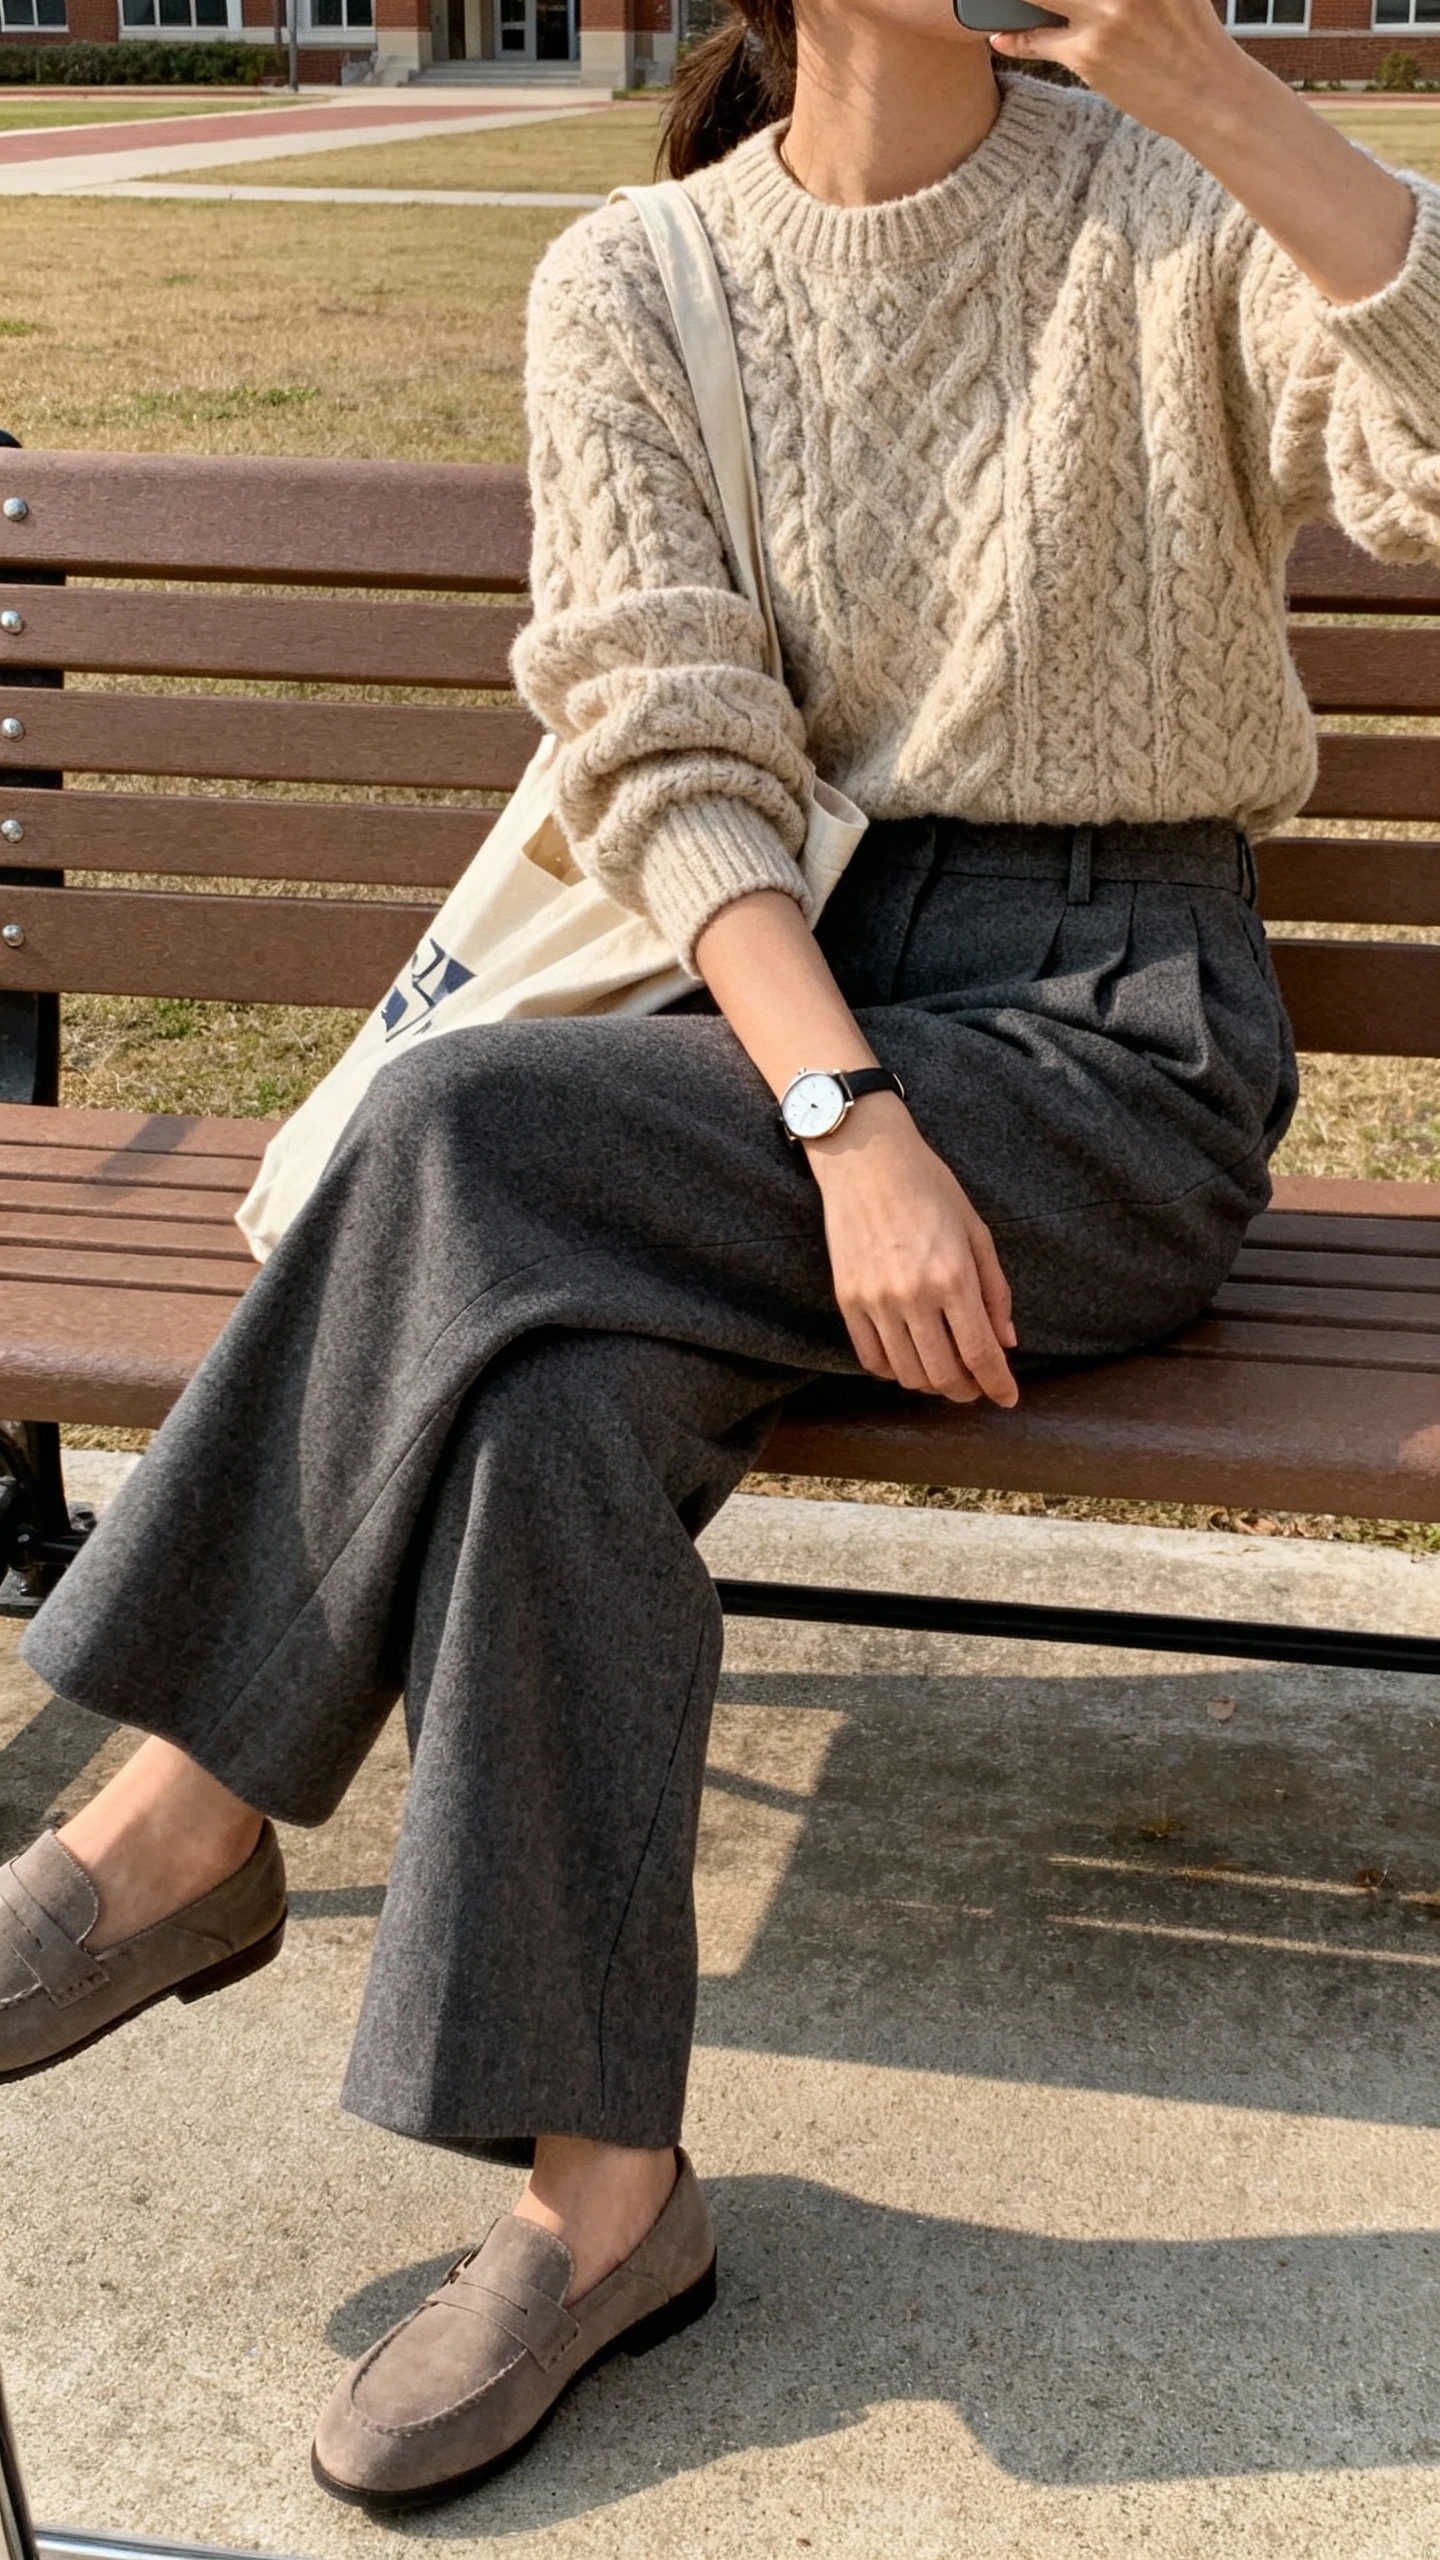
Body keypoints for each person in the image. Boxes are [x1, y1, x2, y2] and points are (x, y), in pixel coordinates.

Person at [2, 0, 1435, 2514]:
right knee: (542, 1393)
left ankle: (181, 1813)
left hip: (1116, 1049)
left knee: (456, 1151)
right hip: (776, 1036)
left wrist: (1205, 78)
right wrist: (842, 1112)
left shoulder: (1178, 202)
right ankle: (607, 2198)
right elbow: (669, 738)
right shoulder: (637, 277)